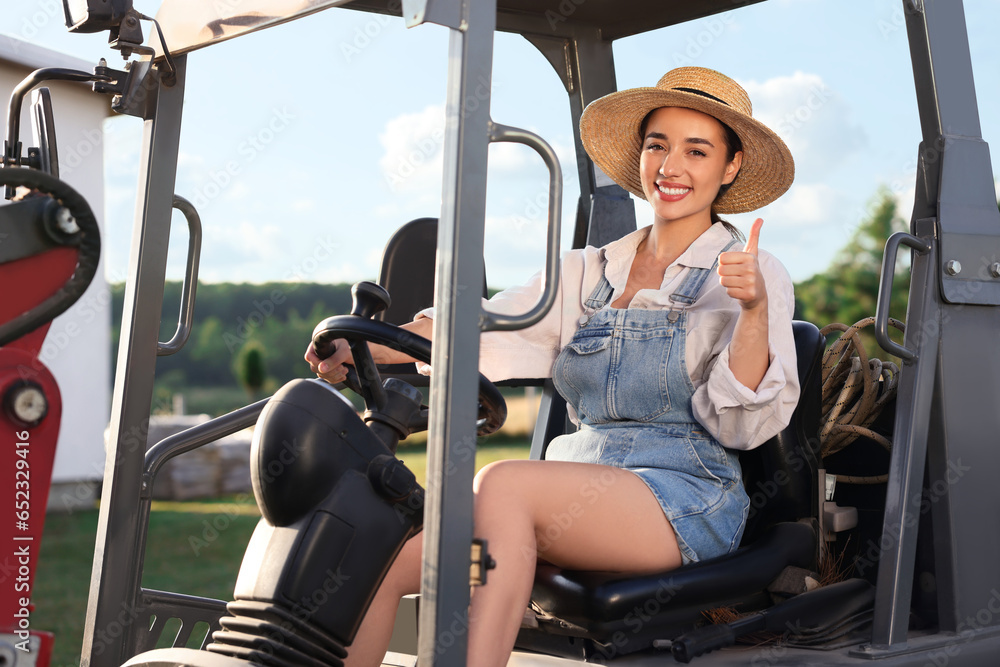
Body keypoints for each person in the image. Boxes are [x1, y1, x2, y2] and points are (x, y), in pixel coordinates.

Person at [305, 66, 799, 667]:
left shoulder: (752, 272)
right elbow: (475, 325)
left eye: (697, 150)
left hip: (682, 497)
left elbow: (740, 424)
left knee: (505, 484)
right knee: (377, 545)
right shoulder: (585, 272)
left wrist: (752, 310)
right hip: (571, 483)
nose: (671, 166)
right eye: (657, 145)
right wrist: (367, 344)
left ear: (730, 167)